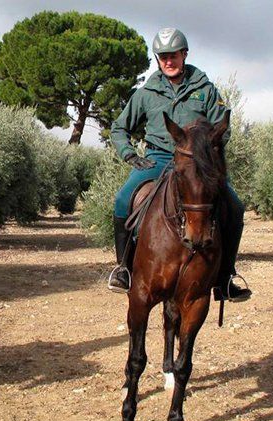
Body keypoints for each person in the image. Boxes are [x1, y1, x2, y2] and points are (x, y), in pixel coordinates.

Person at [107, 28, 251, 302]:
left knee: (234, 206)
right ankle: (123, 268)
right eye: (162, 57)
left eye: (173, 55)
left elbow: (223, 130)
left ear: (184, 54)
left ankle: (226, 277)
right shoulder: (146, 93)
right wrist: (129, 154)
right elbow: (119, 128)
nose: (168, 61)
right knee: (122, 199)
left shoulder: (205, 89)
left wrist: (205, 153)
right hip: (157, 159)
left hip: (196, 164)